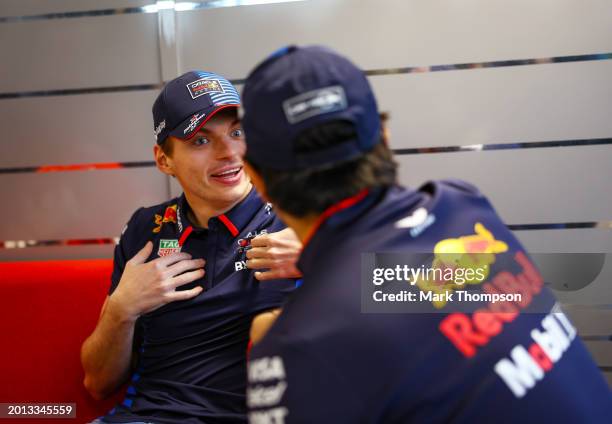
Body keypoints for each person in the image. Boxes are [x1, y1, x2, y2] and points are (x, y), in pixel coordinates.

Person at [240, 46, 612, 423]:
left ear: (255, 177)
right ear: (384, 135)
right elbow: (415, 298)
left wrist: (281, 331)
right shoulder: (465, 208)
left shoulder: (301, 345)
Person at [81, 71, 300, 424]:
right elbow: (97, 384)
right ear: (163, 159)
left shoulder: (303, 213)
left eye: (237, 132)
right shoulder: (144, 229)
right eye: (201, 140)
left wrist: (323, 253)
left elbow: (416, 286)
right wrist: (122, 308)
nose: (229, 152)